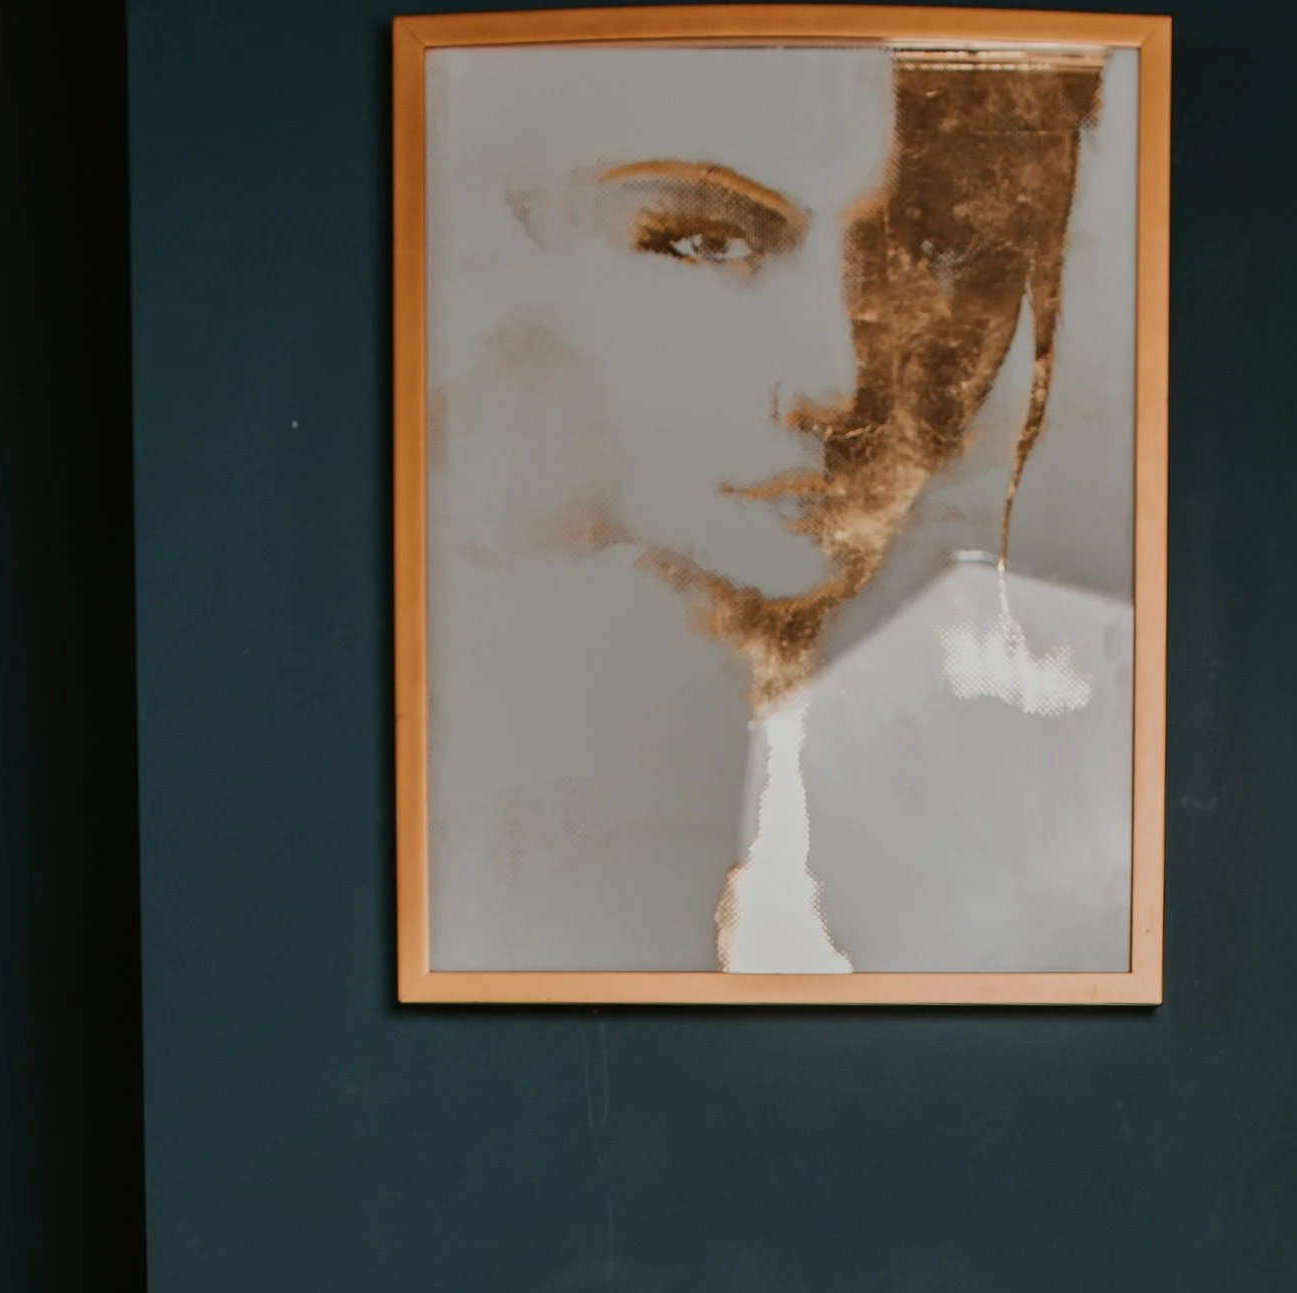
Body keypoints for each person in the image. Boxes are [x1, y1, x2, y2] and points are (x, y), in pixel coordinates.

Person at [427, 45, 1133, 975]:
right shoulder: (451, 760)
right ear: (514, 238)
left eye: (933, 253)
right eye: (707, 243)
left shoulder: (1087, 731)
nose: (834, 383)